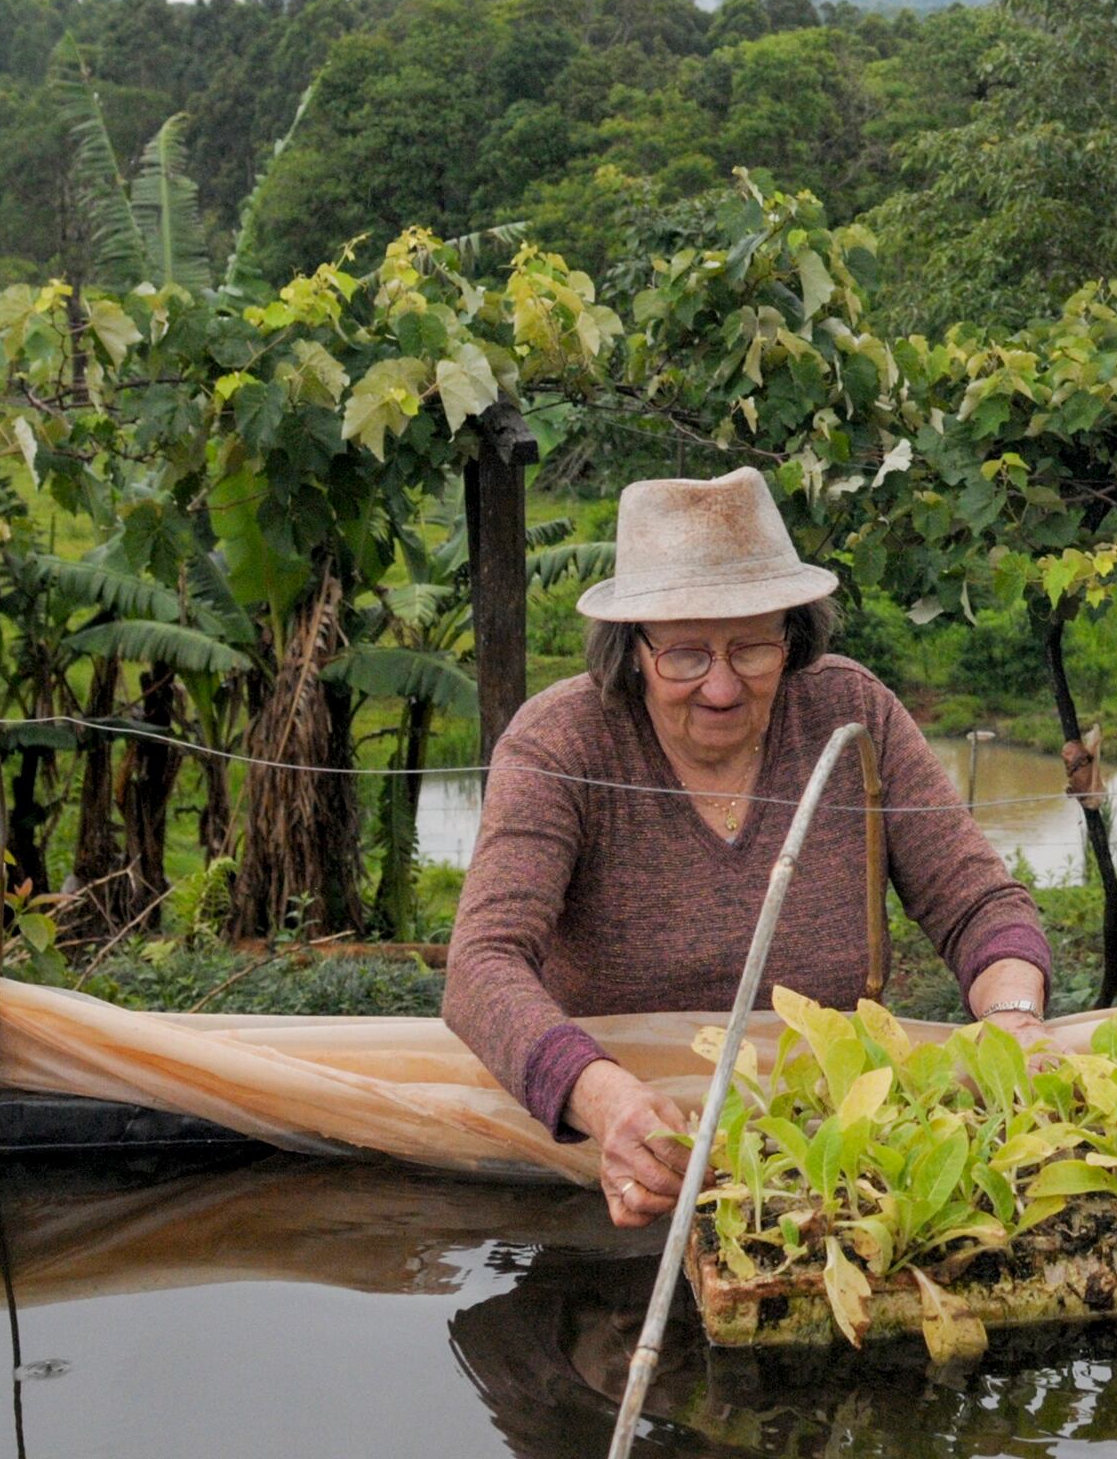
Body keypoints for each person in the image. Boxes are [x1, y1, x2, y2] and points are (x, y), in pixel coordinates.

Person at [443, 467, 1052, 1230]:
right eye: (686, 655)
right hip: (619, 1163)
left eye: (753, 649)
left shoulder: (850, 714)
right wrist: (603, 1098)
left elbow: (980, 904)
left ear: (792, 639)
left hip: (835, 1163)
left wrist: (1013, 1016)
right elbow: (482, 965)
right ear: (633, 649)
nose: (723, 688)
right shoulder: (561, 743)